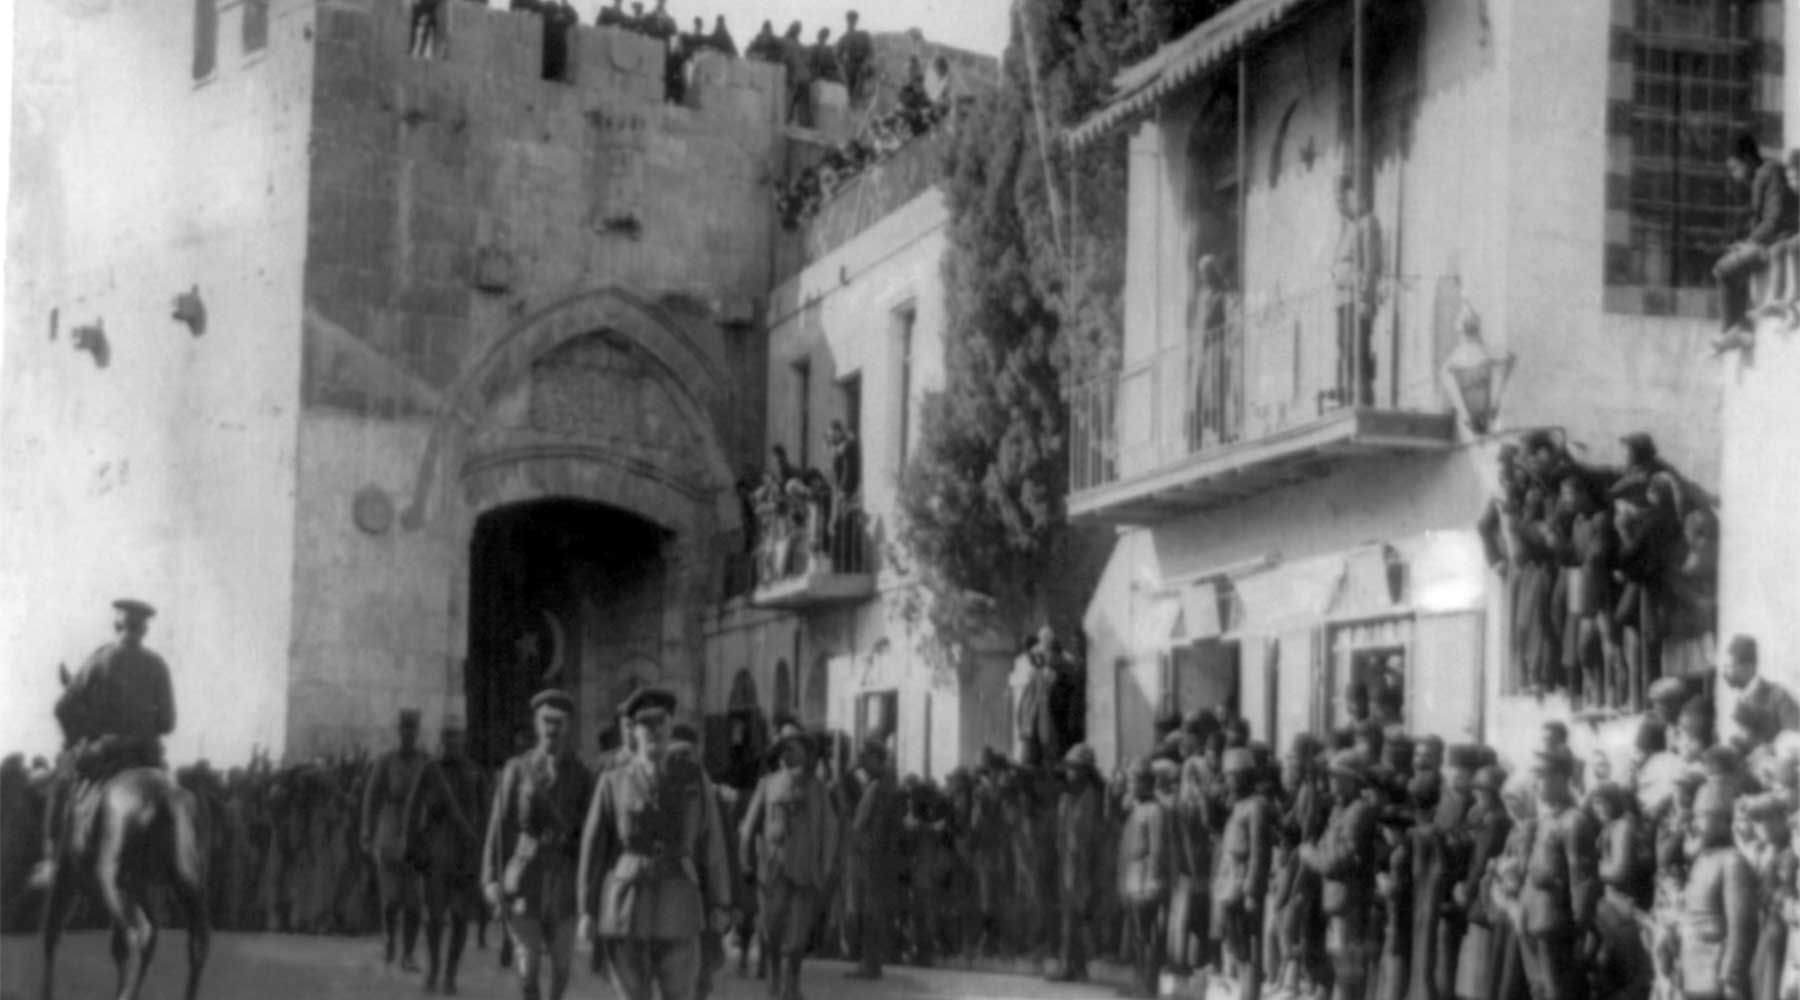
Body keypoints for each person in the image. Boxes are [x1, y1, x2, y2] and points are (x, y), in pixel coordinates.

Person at [577, 688, 732, 1000]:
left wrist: (720, 901)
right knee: (633, 994)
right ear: (632, 731)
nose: (654, 730)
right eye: (645, 724)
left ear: (671, 725)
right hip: (626, 905)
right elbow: (593, 851)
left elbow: (710, 842)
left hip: (679, 901)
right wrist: (587, 910)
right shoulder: (613, 782)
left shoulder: (692, 779)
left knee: (679, 993)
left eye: (660, 721)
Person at [31, 598, 176, 892]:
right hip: (147, 758)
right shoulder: (158, 664)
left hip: (106, 753)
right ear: (145, 630)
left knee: (62, 784)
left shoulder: (100, 659)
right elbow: (168, 723)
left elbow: (63, 707)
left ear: (117, 625)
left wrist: (81, 738)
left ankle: (52, 862)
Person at [483, 689, 593, 1000]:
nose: (552, 729)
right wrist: (491, 879)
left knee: (561, 969)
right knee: (527, 968)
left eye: (559, 722)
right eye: (546, 721)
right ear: (536, 723)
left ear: (568, 726)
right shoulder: (517, 769)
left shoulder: (583, 775)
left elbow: (592, 833)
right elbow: (499, 826)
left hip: (565, 879)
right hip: (525, 876)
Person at [740, 728, 839, 1000]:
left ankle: (791, 989)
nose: (788, 754)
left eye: (794, 749)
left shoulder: (818, 790)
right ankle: (774, 989)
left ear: (807, 756)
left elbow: (830, 830)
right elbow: (748, 828)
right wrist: (745, 861)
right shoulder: (767, 784)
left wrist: (825, 866)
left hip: (805, 873)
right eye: (784, 749)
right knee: (771, 934)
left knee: (796, 939)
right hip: (772, 872)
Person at [404, 718, 492, 994]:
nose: (452, 743)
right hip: (436, 853)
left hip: (466, 853)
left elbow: (487, 815)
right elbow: (412, 810)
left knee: (460, 918)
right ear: (441, 741)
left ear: (464, 740)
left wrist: (484, 854)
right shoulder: (430, 772)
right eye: (448, 738)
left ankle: (451, 975)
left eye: (457, 737)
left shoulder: (475, 773)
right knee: (435, 917)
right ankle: (433, 970)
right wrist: (413, 848)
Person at [1516, 750, 1596, 1000]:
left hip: (1555, 924)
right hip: (1532, 919)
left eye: (1542, 775)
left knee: (1556, 992)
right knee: (1538, 990)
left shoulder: (1574, 821)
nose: (1535, 782)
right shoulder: (1544, 820)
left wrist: (1580, 928)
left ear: (1562, 778)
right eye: (1534, 775)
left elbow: (1581, 880)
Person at [1303, 750, 1379, 1000]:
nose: (1332, 783)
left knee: (1347, 964)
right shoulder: (1340, 810)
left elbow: (1340, 859)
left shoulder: (1357, 812)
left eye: (1337, 778)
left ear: (1352, 780)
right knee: (1339, 958)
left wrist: (1311, 856)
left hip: (1349, 899)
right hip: (1336, 898)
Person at [364, 708, 430, 971]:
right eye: (404, 730)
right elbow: (371, 798)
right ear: (399, 732)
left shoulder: (427, 762)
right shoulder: (386, 762)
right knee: (391, 898)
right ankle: (390, 939)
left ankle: (409, 954)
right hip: (389, 830)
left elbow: (438, 797)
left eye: (412, 730)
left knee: (414, 900)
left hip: (417, 833)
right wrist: (366, 832)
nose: (408, 735)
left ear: (417, 732)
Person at [1714, 133, 1799, 334]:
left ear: (1748, 160)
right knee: (1732, 262)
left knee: (1722, 270)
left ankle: (1733, 330)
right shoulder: (1758, 179)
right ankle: (1738, 327)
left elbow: (1774, 218)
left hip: (1776, 243)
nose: (1735, 175)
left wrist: (1751, 242)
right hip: (1770, 242)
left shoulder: (1769, 173)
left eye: (1736, 168)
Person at [1683, 778, 1757, 1000]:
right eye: (1695, 815)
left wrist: (1732, 977)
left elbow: (1741, 927)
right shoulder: (1701, 860)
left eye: (1703, 816)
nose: (1695, 823)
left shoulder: (1732, 863)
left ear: (1724, 821)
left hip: (1717, 979)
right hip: (1692, 976)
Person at [1216, 747, 1274, 1000]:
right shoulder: (1238, 806)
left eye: (1232, 775)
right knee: (1237, 946)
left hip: (1243, 884)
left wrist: (1252, 891)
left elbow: (1260, 854)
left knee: (1249, 947)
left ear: (1244, 776)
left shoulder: (1257, 807)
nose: (1228, 781)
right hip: (1230, 883)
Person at [843, 740, 900, 979]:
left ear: (877, 758)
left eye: (866, 758)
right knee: (869, 910)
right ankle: (870, 962)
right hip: (872, 854)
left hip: (872, 855)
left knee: (869, 910)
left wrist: (866, 849)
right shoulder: (878, 784)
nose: (863, 765)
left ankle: (870, 963)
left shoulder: (882, 786)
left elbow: (875, 826)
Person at [1119, 757, 1176, 999]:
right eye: (1130, 780)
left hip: (1146, 882)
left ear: (1147, 783)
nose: (1131, 786)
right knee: (1137, 937)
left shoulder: (1155, 810)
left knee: (1149, 936)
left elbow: (1157, 849)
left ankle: (1149, 987)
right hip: (1133, 880)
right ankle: (1139, 981)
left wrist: (1153, 883)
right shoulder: (1136, 809)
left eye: (1135, 781)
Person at [1051, 744, 1106, 983]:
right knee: (1068, 915)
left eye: (1075, 769)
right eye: (1069, 769)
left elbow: (1096, 839)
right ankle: (1071, 965)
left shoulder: (1094, 800)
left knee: (1080, 916)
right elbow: (1060, 836)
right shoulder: (1066, 800)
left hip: (1087, 866)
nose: (1070, 774)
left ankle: (1074, 965)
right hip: (1068, 865)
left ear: (1086, 771)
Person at [1331, 173, 1383, 407]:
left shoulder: (1367, 223)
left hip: (1355, 298)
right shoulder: (1346, 229)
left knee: (1357, 349)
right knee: (1344, 348)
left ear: (1354, 195)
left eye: (1342, 198)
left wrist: (1365, 297)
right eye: (1336, 199)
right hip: (1342, 299)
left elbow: (1370, 263)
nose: (1339, 204)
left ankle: (1361, 398)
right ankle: (1350, 396)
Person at [1723, 635, 1800, 743]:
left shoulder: (1778, 697)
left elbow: (1796, 737)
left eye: (1730, 666)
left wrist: (1771, 750)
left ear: (1749, 667)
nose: (1725, 672)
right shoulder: (1739, 701)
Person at [835, 12, 872, 105]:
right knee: (850, 92)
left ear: (856, 21)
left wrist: (866, 63)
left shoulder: (863, 35)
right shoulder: (844, 37)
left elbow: (869, 51)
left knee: (863, 91)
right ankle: (852, 108)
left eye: (853, 20)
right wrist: (842, 67)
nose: (851, 22)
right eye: (850, 20)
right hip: (850, 67)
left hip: (862, 66)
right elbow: (837, 56)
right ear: (847, 21)